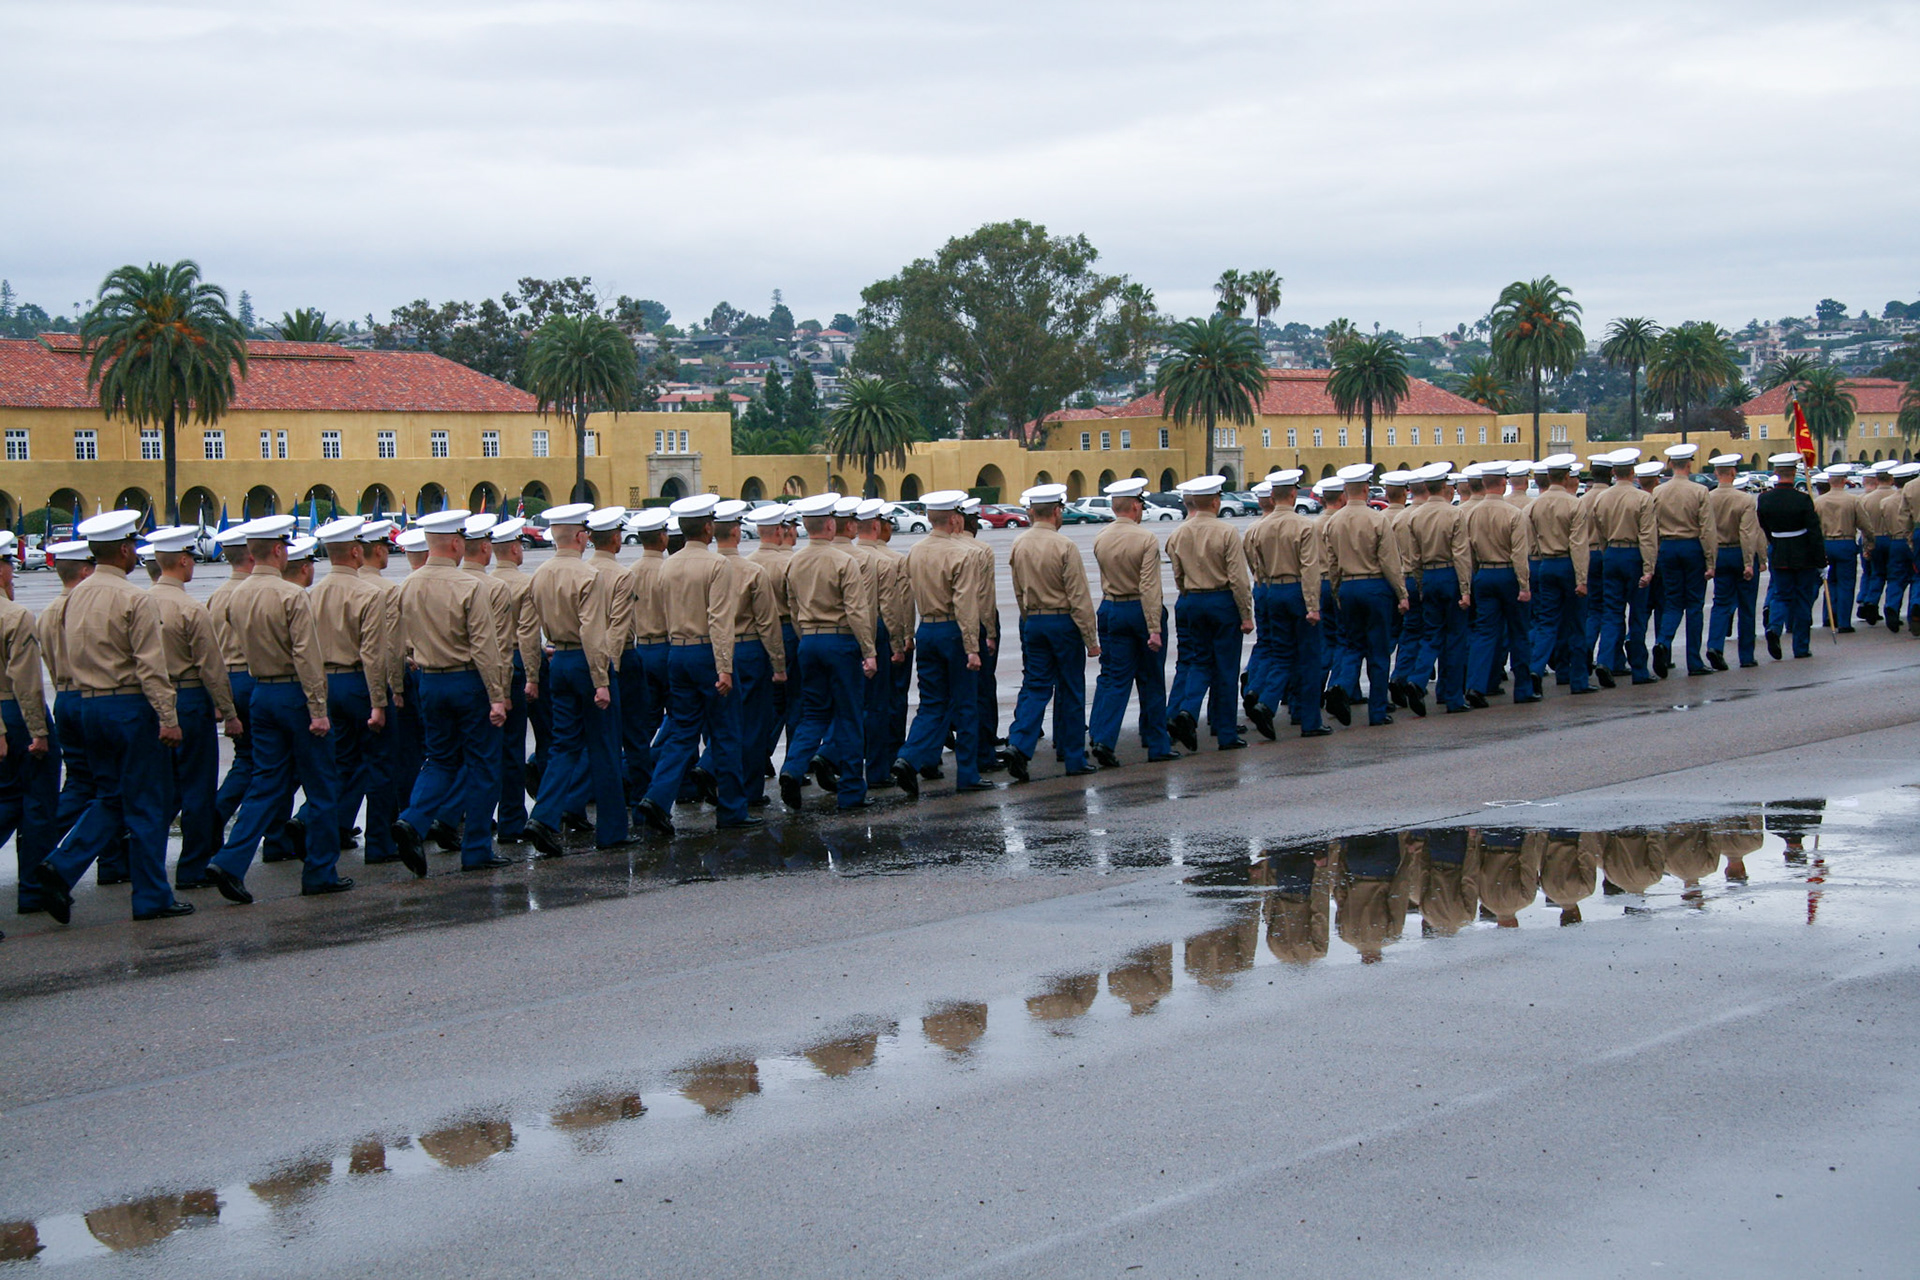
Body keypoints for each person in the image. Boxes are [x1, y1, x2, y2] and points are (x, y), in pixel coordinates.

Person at [34, 511, 192, 924]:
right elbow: (150, 665)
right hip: (128, 707)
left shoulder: (73, 598)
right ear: (124, 549)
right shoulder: (134, 598)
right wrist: (168, 716)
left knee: (110, 796)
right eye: (134, 547)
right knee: (146, 805)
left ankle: (62, 865)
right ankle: (152, 897)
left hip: (87, 704)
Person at [199, 517, 350, 903]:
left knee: (265, 783)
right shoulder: (291, 595)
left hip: (260, 692)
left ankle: (230, 860)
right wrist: (318, 708)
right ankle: (319, 871)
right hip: (294, 694)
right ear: (281, 551)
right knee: (322, 784)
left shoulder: (235, 595)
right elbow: (306, 655)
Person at [392, 509, 511, 871]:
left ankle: (412, 819)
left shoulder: (409, 584)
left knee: (440, 759)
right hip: (467, 680)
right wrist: (497, 695)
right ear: (457, 543)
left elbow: (398, 641)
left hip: (429, 679)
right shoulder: (469, 585)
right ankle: (476, 849)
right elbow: (484, 646)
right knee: (483, 766)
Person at [634, 494, 748, 836]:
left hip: (676, 651)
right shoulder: (717, 565)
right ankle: (731, 810)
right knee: (726, 732)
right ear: (709, 527)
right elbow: (719, 620)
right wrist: (724, 666)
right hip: (707, 652)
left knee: (682, 731)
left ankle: (657, 797)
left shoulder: (667, 565)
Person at [142, 526, 243, 890]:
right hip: (188, 697)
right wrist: (228, 712)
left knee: (160, 789)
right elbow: (210, 666)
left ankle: (141, 858)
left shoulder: (139, 602)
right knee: (198, 787)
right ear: (183, 561)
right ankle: (194, 866)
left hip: (152, 699)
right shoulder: (189, 608)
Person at [524, 503, 624, 855]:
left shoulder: (539, 575)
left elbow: (526, 631)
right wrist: (601, 680)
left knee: (564, 746)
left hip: (558, 660)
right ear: (581, 537)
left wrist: (533, 675)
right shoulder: (587, 576)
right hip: (585, 661)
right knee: (604, 747)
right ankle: (612, 831)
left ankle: (544, 815)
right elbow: (593, 632)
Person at [779, 493, 878, 810]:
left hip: (809, 641)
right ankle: (851, 790)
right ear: (831, 524)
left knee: (813, 714)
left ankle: (792, 768)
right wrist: (869, 650)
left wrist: (806, 636)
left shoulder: (795, 561)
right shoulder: (843, 561)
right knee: (849, 716)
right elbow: (857, 611)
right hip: (840, 640)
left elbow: (793, 607)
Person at [895, 491, 990, 796]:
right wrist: (972, 647)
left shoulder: (914, 552)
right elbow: (965, 604)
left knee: (932, 703)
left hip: (927, 629)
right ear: (954, 519)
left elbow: (905, 598)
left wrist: (908, 634)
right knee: (965, 705)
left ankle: (908, 757)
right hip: (953, 631)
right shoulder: (961, 553)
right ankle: (968, 775)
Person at [1002, 483, 1099, 780]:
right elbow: (1078, 596)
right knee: (1070, 690)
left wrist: (1028, 618)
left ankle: (1019, 743)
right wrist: (1090, 638)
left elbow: (1018, 590)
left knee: (1035, 686)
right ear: (1056, 511)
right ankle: (1073, 758)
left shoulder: (1019, 543)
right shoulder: (1064, 546)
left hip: (1034, 620)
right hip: (1063, 622)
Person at [703, 501, 785, 808]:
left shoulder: (709, 568)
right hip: (749, 648)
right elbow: (767, 622)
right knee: (752, 724)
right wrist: (778, 663)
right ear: (737, 532)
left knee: (722, 723)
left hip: (716, 648)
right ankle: (750, 791)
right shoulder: (753, 570)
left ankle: (716, 775)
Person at [1089, 478, 1177, 762]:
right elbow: (1149, 586)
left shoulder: (1101, 536)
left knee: (1114, 678)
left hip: (1111, 607)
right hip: (1140, 610)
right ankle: (1157, 744)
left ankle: (1102, 738)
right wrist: (1154, 627)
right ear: (1136, 506)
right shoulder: (1146, 538)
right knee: (1151, 680)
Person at [1164, 475, 1254, 750]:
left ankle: (1188, 710)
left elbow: (1177, 574)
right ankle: (1226, 733)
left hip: (1192, 600)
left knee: (1199, 662)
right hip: (1221, 601)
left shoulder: (1178, 533)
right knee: (1225, 669)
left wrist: (1189, 591)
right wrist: (1246, 613)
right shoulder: (1225, 532)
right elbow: (1238, 577)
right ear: (1216, 501)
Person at [1240, 469, 1327, 738]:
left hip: (1271, 590)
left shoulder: (1258, 528)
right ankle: (1308, 719)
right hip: (1297, 591)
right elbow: (1310, 568)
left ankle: (1267, 701)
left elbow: (1255, 565)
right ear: (1293, 493)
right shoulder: (1304, 526)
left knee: (1281, 653)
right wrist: (1313, 605)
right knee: (1309, 657)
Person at [1321, 462, 1408, 726]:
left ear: (1346, 491)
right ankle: (1378, 711)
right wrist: (1401, 594)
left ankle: (1342, 686)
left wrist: (1337, 592)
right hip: (1375, 586)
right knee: (1378, 651)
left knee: (1350, 644)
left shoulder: (1333, 522)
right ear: (1367, 489)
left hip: (1348, 586)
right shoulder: (1377, 519)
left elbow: (1332, 564)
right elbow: (1390, 562)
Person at [0, 531, 56, 918]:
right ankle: (33, 890)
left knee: (6, 799)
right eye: (10, 571)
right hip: (14, 713)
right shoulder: (14, 616)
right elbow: (25, 681)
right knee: (36, 805)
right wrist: (38, 731)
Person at [355, 519, 408, 864]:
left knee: (342, 767)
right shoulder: (385, 591)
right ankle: (379, 841)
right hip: (370, 683)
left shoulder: (325, 589)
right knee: (382, 766)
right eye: (386, 547)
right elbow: (388, 648)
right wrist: (395, 690)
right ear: (377, 550)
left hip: (335, 684)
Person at [1404, 462, 1473, 714]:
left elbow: (1414, 558)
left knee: (1431, 635)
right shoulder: (1455, 514)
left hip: (1429, 577)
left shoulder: (1414, 516)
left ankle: (1417, 679)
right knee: (1455, 638)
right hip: (1450, 575)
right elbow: (1461, 554)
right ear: (1445, 487)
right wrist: (1465, 589)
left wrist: (1422, 585)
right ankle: (1452, 696)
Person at [1464, 465, 1535, 707]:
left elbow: (1468, 550)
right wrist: (1524, 585)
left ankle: (1476, 684)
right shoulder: (1514, 513)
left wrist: (1474, 576)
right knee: (1519, 633)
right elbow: (1519, 553)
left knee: (1484, 633)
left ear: (1484, 485)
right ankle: (1523, 688)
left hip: (1483, 573)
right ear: (1503, 483)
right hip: (1508, 574)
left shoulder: (1471, 513)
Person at [855, 499, 914, 788]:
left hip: (843, 636)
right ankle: (881, 766)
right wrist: (901, 641)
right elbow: (894, 605)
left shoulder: (845, 556)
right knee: (885, 703)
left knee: (851, 704)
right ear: (878, 526)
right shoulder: (891, 560)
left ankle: (845, 762)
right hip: (879, 634)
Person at [487, 517, 539, 843]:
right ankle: (511, 819)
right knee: (512, 749)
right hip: (515, 662)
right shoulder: (523, 584)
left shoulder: (482, 582)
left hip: (484, 665)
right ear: (517, 548)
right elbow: (528, 636)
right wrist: (532, 675)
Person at [1525, 455, 1592, 695]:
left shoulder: (1534, 505)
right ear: (1566, 477)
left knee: (1547, 622)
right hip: (1568, 564)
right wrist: (1582, 578)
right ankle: (1578, 680)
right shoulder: (1574, 504)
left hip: (1545, 564)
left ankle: (1536, 667)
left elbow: (1530, 541)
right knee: (1576, 624)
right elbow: (1578, 544)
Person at [1649, 443, 1718, 677]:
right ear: (1689, 464)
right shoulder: (1699, 491)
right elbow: (1707, 529)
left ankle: (1663, 642)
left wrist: (1655, 554)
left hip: (1668, 546)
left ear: (1670, 465)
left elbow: (1652, 527)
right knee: (1695, 605)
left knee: (1672, 602)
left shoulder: (1658, 492)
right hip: (1692, 546)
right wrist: (1711, 561)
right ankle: (1694, 661)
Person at [1591, 451, 1658, 684]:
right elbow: (1648, 536)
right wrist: (1649, 568)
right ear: (1633, 472)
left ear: (1613, 473)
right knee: (1637, 614)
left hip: (1611, 553)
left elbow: (1599, 532)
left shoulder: (1601, 498)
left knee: (1611, 612)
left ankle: (1605, 660)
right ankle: (1639, 669)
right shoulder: (1642, 498)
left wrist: (1606, 552)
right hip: (1634, 554)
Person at [207, 525, 256, 827]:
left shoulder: (215, 596)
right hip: (252, 679)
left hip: (225, 678)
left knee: (247, 757)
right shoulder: (253, 593)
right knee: (260, 761)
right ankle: (216, 817)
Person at [622, 508, 671, 804]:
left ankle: (633, 774)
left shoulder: (630, 572)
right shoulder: (667, 570)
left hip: (641, 647)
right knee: (680, 718)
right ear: (663, 537)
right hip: (668, 645)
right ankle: (680, 779)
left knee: (645, 721)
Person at [747, 504, 802, 757]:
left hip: (758, 634)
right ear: (782, 530)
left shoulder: (748, 563)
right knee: (795, 700)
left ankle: (760, 754)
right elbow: (797, 604)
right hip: (788, 630)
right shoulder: (790, 562)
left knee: (766, 703)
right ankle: (795, 760)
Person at [1758, 453, 1824, 659]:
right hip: (1803, 555)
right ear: (1794, 473)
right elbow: (1814, 533)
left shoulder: (1764, 498)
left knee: (1781, 595)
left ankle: (1774, 627)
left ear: (1776, 473)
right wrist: (1821, 561)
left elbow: (1764, 526)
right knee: (1803, 600)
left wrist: (1776, 540)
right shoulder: (1803, 499)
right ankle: (1801, 647)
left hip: (1779, 551)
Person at [1705, 453, 1765, 669]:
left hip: (1719, 552)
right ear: (1733, 472)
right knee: (1747, 607)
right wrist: (1750, 562)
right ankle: (1746, 656)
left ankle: (1714, 645)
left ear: (1715, 473)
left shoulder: (1708, 498)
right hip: (1740, 552)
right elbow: (1749, 533)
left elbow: (1705, 530)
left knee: (1720, 603)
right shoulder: (1745, 499)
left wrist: (1709, 560)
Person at [960, 498, 1001, 779]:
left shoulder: (929, 548)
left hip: (947, 627)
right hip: (977, 623)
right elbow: (985, 597)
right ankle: (984, 752)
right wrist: (991, 632)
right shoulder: (980, 550)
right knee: (983, 692)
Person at [1381, 471, 1426, 710]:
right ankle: (1404, 676)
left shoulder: (1383, 518)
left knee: (1388, 635)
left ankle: (1385, 682)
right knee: (1414, 632)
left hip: (1387, 580)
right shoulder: (1413, 516)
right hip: (1410, 578)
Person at [1577, 455, 1615, 686]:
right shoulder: (1610, 497)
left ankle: (1586, 652)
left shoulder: (1583, 499)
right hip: (1607, 552)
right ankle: (1609, 658)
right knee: (1612, 609)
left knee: (1592, 609)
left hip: (1586, 554)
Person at [1814, 463, 1865, 632]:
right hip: (1845, 542)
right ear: (1844, 480)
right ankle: (1844, 622)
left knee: (1830, 582)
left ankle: (1829, 616)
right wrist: (1869, 541)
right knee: (1846, 584)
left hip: (1825, 543)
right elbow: (1864, 524)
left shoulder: (1818, 501)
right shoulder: (1853, 500)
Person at [1884, 462, 1920, 633]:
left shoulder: (1911, 487)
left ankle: (1891, 604)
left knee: (1897, 576)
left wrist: (1909, 535)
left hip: (1912, 533)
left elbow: (1904, 515)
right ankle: (1916, 606)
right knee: (1918, 577)